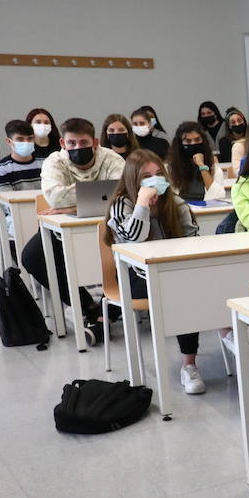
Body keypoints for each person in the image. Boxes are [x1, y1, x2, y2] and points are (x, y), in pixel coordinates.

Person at [105, 150, 205, 394]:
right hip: (133, 276)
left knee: (194, 284)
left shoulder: (175, 203)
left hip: (171, 273)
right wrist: (142, 204)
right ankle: (192, 363)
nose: (155, 180)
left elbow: (194, 242)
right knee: (181, 289)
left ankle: (198, 356)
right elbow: (136, 238)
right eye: (146, 176)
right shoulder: (122, 205)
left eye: (159, 174)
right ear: (133, 180)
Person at [19, 118, 126, 342]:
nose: (78, 148)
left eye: (84, 142)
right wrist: (96, 197)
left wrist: (70, 206)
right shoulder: (54, 161)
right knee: (31, 257)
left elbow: (122, 194)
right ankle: (86, 305)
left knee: (128, 255)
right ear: (62, 143)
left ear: (95, 142)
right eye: (72, 143)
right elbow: (55, 198)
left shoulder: (111, 159)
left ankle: (111, 310)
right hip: (65, 227)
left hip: (111, 225)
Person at [0, 119, 43, 260]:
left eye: (30, 139)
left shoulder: (45, 163)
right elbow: (6, 204)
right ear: (9, 141)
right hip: (17, 217)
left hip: (45, 213)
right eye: (20, 139)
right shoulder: (0, 169)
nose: (26, 142)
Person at [167, 121, 224, 201]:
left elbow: (218, 196)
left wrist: (201, 165)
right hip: (182, 207)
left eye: (197, 140)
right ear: (180, 144)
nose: (193, 144)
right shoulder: (171, 169)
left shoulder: (215, 170)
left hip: (206, 208)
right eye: (188, 141)